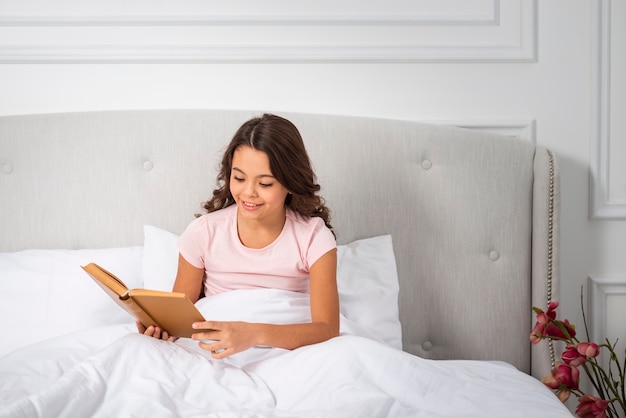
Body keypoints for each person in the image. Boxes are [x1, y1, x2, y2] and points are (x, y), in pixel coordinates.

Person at [136, 114, 339, 359]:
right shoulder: (204, 232)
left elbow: (327, 328)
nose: (248, 193)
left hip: (290, 352)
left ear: (290, 182)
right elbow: (180, 317)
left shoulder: (313, 237)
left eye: (265, 183)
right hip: (216, 350)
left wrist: (253, 334)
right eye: (239, 178)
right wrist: (161, 327)